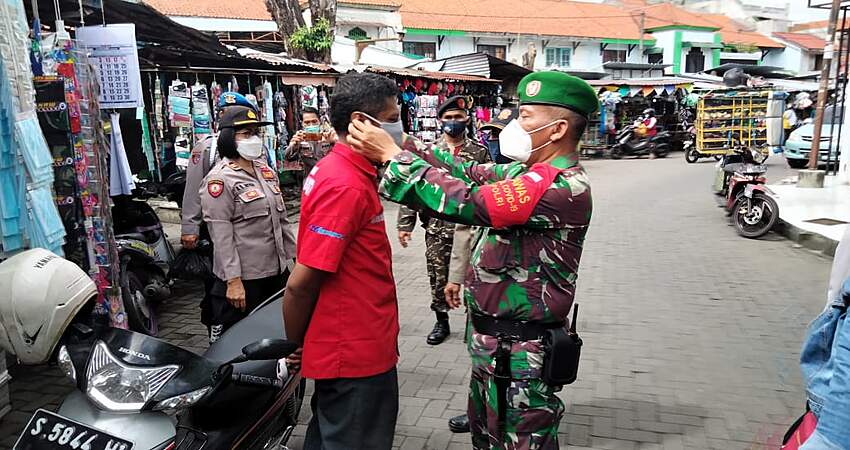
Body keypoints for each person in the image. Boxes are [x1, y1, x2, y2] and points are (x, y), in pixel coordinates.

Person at [347, 70, 597, 450]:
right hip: (496, 348)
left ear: (558, 129)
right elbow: (463, 169)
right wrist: (400, 138)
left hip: (521, 354)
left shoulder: (560, 187)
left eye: (526, 116)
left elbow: (467, 200)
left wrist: (392, 156)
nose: (516, 123)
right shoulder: (525, 171)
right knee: (487, 438)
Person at [282, 73, 400, 450]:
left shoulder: (344, 169)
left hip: (357, 342)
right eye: (393, 117)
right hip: (355, 352)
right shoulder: (344, 183)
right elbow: (302, 282)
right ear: (362, 124)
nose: (399, 127)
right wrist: (297, 343)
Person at [445, 107, 518, 434]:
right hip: (483, 293)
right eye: (491, 133)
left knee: (508, 372)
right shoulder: (499, 171)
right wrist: (456, 277)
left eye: (502, 132)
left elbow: (462, 202)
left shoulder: (535, 182)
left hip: (512, 301)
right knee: (480, 358)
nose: (495, 139)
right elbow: (467, 230)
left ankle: (500, 418)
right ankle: (479, 413)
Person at [397, 95, 490, 346]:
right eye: (448, 118)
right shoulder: (430, 152)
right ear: (439, 121)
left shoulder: (479, 152)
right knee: (437, 277)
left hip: (470, 229)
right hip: (437, 229)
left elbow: (487, 188)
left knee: (473, 277)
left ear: (467, 119)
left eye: (458, 117)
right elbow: (414, 185)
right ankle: (442, 321)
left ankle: (474, 324)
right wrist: (406, 224)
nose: (453, 122)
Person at [200, 106, 296, 342]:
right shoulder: (219, 179)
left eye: (255, 133)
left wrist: (296, 262)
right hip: (245, 279)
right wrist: (233, 281)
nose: (253, 139)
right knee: (244, 340)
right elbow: (221, 235)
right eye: (245, 133)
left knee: (275, 334)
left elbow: (282, 222)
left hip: (276, 272)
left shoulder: (265, 172)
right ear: (227, 138)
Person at [180, 92, 258, 340]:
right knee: (217, 281)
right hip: (214, 225)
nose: (229, 114)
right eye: (225, 111)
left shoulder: (256, 150)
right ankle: (216, 325)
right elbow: (193, 188)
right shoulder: (206, 148)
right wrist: (189, 227)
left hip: (247, 229)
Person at [284, 107, 336, 180]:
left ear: (319, 122)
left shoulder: (327, 137)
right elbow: (287, 157)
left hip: (329, 179)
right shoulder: (300, 139)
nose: (311, 125)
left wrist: (334, 142)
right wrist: (294, 145)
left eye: (314, 122)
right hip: (310, 181)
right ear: (302, 124)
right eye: (307, 123)